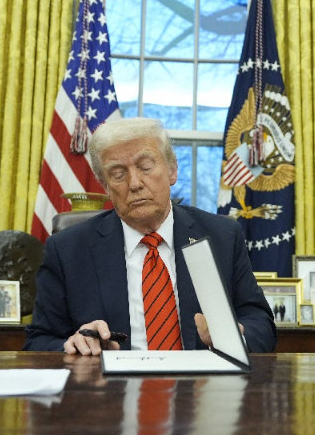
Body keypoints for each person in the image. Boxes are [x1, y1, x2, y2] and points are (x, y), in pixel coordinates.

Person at [24, 118, 277, 354]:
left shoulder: (221, 236)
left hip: (201, 390)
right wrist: (73, 345)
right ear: (105, 186)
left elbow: (260, 323)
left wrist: (235, 339)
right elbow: (39, 341)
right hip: (111, 393)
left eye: (146, 167)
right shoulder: (68, 250)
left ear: (172, 171)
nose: (134, 183)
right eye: (118, 174)